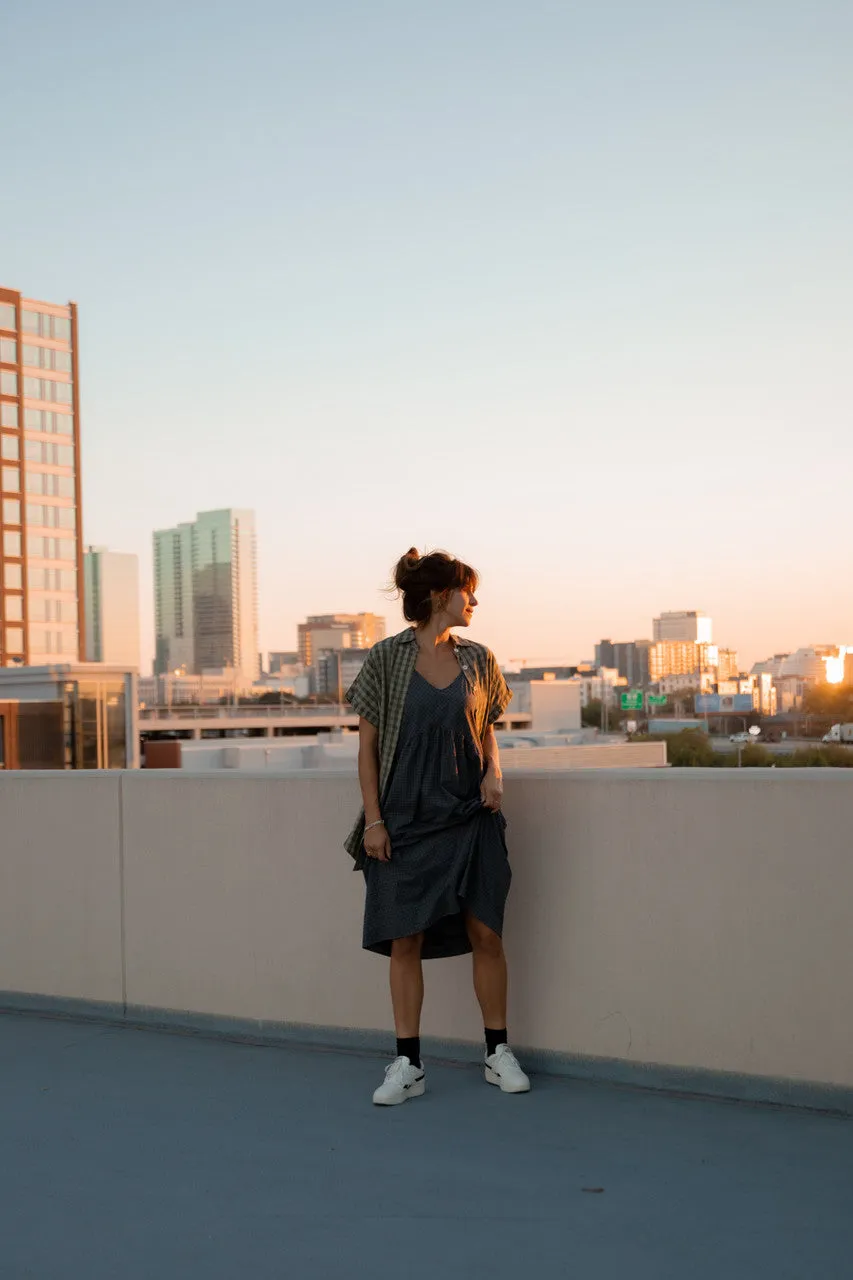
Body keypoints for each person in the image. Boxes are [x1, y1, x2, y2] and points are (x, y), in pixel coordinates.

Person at [344, 548, 530, 1105]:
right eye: (466, 590)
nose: (474, 601)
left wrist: (494, 772)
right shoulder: (385, 658)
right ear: (438, 596)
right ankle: (408, 1064)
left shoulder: (479, 659)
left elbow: (489, 731)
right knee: (406, 941)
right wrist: (374, 821)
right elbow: (368, 751)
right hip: (404, 822)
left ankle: (497, 1052)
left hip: (471, 818)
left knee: (487, 935)